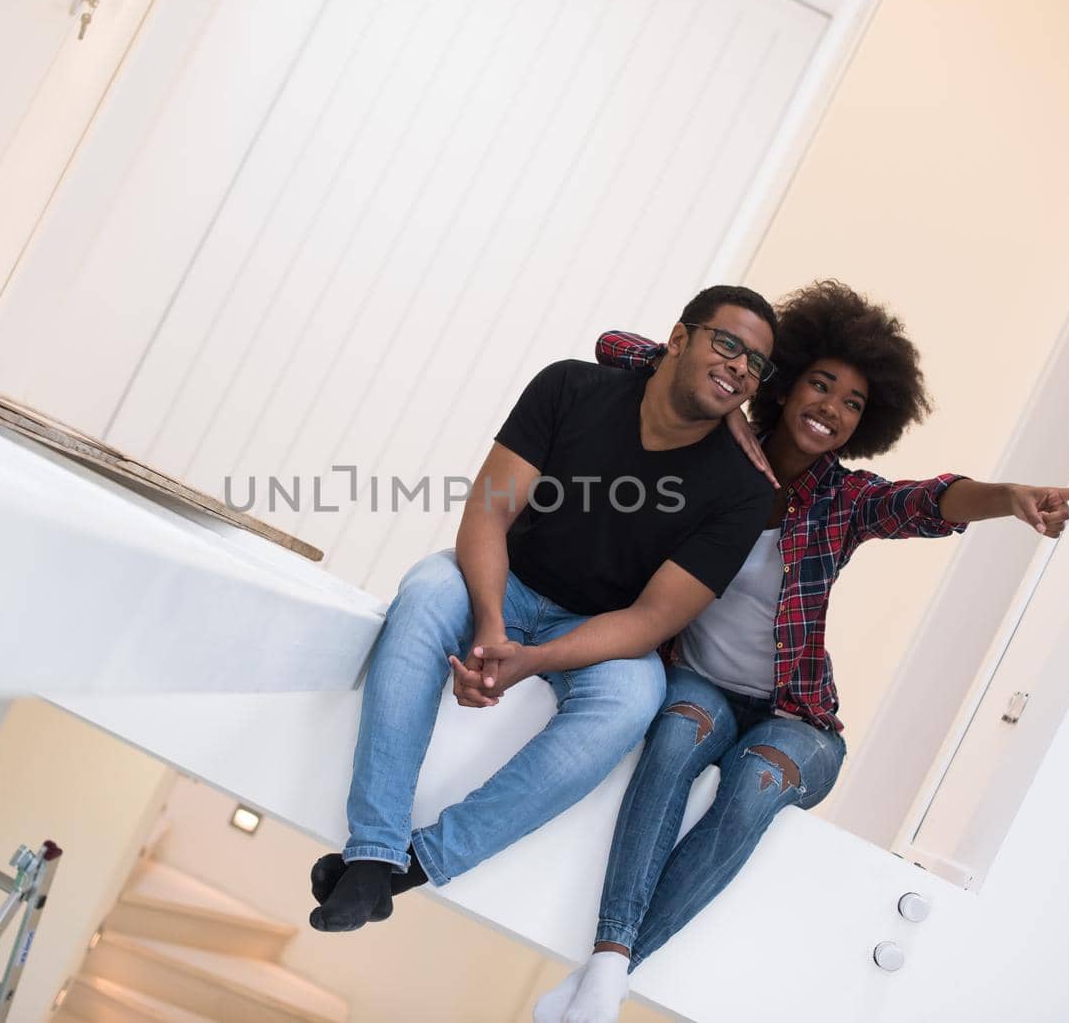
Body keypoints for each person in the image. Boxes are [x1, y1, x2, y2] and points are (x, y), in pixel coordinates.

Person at [532, 280, 1069, 1023]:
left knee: (755, 782)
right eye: (820, 384)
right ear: (784, 380)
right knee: (676, 733)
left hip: (795, 718)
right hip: (700, 682)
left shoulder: (846, 500)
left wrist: (1008, 496)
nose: (831, 408)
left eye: (854, 403)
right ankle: (610, 964)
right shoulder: (717, 454)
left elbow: (929, 501)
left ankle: (605, 982)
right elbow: (617, 346)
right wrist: (728, 392)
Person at [308, 285, 782, 933]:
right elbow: (489, 511)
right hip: (504, 579)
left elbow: (652, 619)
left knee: (632, 702)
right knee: (422, 595)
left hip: (603, 634)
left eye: (756, 362)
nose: (739, 366)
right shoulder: (569, 389)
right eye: (727, 344)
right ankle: (372, 847)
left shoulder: (744, 491)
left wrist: (533, 660)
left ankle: (413, 864)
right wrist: (491, 627)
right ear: (679, 338)